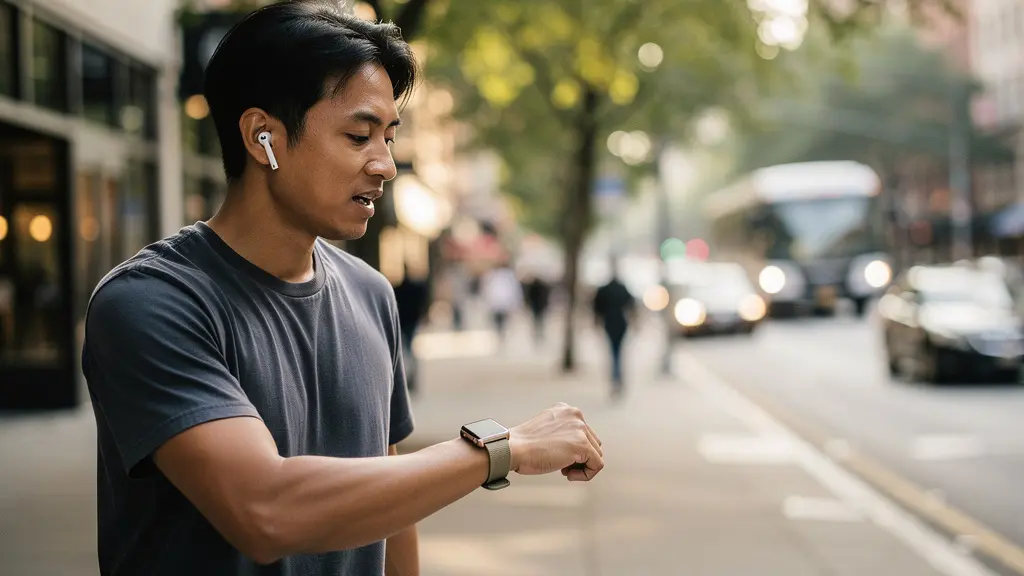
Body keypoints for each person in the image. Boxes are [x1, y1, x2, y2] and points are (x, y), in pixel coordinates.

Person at [80, 3, 604, 576]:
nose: (386, 165)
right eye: (359, 135)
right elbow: (264, 509)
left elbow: (390, 502)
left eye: (389, 136)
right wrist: (502, 450)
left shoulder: (369, 292)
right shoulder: (150, 304)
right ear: (264, 138)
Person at [592, 262, 636, 397]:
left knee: (614, 351)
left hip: (609, 322)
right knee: (618, 351)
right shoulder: (622, 288)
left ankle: (615, 377)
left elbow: (596, 307)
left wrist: (596, 322)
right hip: (621, 323)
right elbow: (632, 305)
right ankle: (617, 377)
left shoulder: (604, 289)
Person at [392, 265, 430, 394]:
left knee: (406, 352)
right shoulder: (415, 288)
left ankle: (409, 379)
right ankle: (411, 379)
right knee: (409, 352)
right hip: (411, 322)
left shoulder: (398, 289)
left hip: (404, 322)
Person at [481, 260, 523, 341]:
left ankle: (501, 333)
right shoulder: (493, 275)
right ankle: (500, 333)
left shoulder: (507, 276)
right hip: (498, 302)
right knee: (498, 320)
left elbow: (514, 289)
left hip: (502, 302)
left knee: (502, 320)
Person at [523, 274, 552, 346]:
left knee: (537, 319)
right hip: (539, 305)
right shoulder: (542, 287)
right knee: (540, 320)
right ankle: (539, 333)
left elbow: (529, 297)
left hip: (536, 306)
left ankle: (538, 333)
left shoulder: (534, 287)